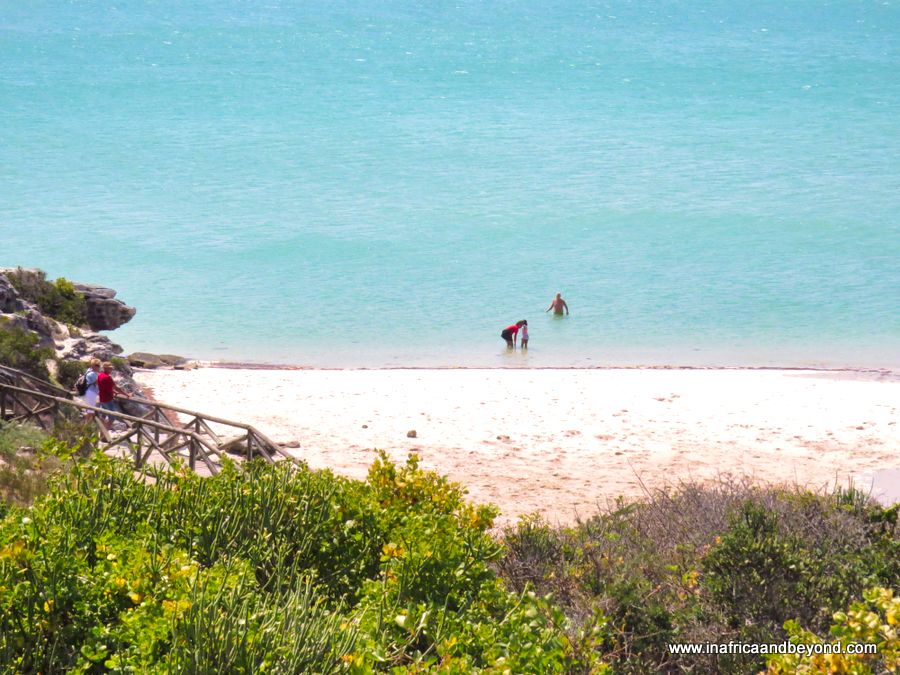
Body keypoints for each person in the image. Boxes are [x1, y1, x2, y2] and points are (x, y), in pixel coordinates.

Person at [97, 361, 129, 428]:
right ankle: (104, 436)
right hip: (108, 399)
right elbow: (117, 388)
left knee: (103, 416)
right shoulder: (108, 377)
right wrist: (126, 394)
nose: (111, 369)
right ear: (106, 368)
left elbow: (104, 387)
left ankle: (102, 434)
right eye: (110, 368)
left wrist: (113, 391)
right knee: (112, 418)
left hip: (102, 399)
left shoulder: (100, 375)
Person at [81, 358, 101, 422]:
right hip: (91, 393)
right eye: (97, 365)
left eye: (99, 365)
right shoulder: (92, 374)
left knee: (90, 411)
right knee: (91, 411)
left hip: (90, 392)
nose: (99, 367)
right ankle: (86, 428)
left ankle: (87, 427)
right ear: (93, 365)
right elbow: (98, 383)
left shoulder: (89, 371)